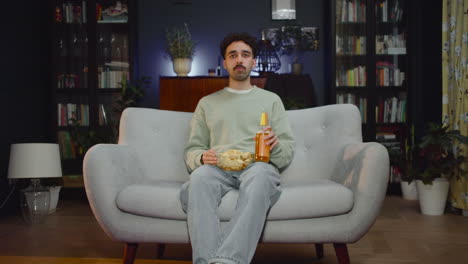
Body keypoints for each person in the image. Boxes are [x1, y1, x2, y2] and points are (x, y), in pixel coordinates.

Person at [179, 32, 295, 264]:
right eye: (233, 55)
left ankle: (227, 261)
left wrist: (275, 145)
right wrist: (202, 157)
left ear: (253, 61)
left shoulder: (271, 100)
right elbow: (192, 149)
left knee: (261, 175)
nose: (239, 60)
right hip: (218, 167)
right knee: (200, 178)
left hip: (257, 165)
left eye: (245, 55)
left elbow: (287, 152)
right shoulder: (207, 103)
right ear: (225, 63)